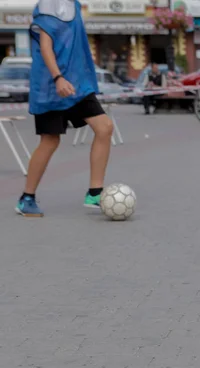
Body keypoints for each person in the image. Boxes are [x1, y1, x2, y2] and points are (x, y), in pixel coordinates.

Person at [17, 0, 114, 217]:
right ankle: (26, 198)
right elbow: (45, 47)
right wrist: (58, 77)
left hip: (78, 85)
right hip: (51, 86)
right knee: (50, 141)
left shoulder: (75, 5)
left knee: (104, 127)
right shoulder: (48, 8)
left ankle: (95, 193)